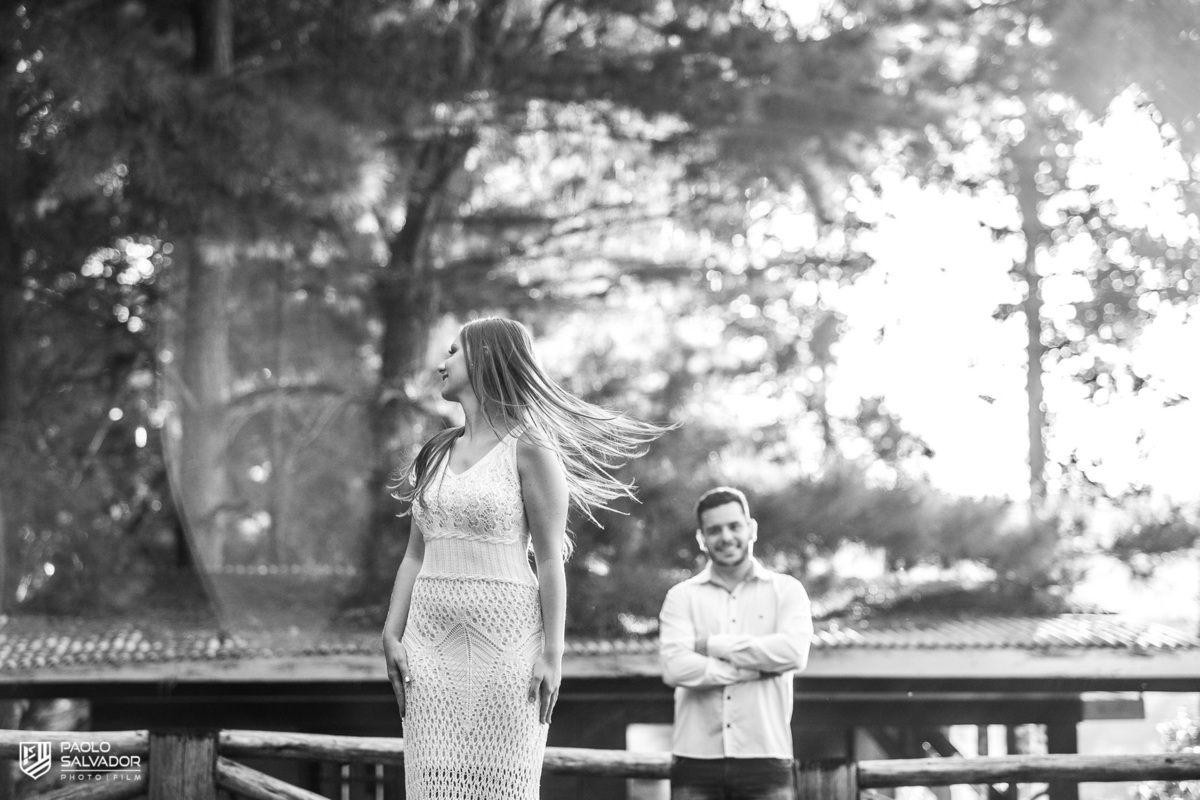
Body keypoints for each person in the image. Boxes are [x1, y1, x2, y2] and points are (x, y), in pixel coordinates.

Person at [382, 317, 669, 800]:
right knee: (430, 789)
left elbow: (552, 560)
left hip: (508, 648)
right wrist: (391, 633)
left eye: (453, 352)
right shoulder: (432, 454)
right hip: (427, 651)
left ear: (486, 358)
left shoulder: (530, 449)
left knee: (504, 790)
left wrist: (552, 656)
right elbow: (414, 554)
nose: (440, 364)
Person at [658, 486, 814, 800]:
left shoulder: (787, 591)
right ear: (701, 538)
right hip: (695, 760)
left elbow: (793, 653)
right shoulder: (681, 597)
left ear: (751, 528)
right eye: (714, 530)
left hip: (767, 758)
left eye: (734, 526)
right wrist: (754, 670)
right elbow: (675, 669)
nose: (726, 537)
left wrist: (713, 645)